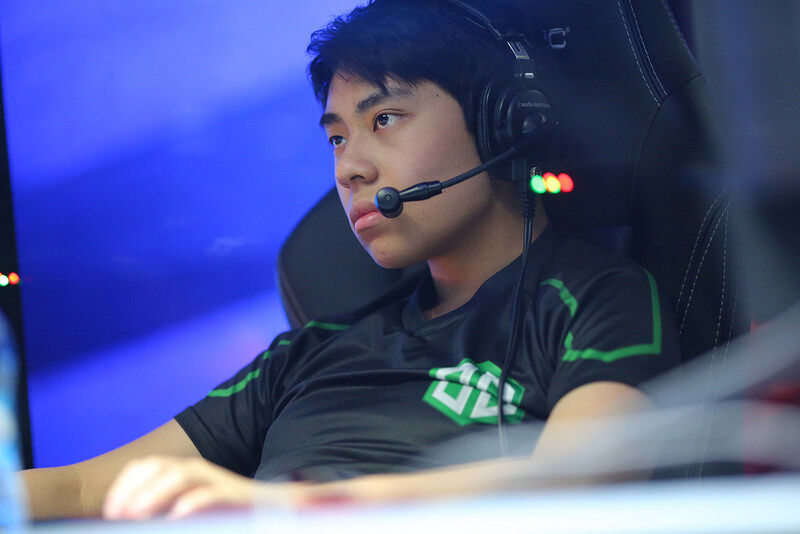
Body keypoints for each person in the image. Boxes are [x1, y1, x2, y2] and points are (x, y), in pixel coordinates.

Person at [23, 0, 681, 521]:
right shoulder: (308, 354)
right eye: (337, 139)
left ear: (499, 123)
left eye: (384, 119)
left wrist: (291, 509)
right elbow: (81, 488)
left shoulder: (594, 297)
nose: (350, 169)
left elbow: (583, 478)